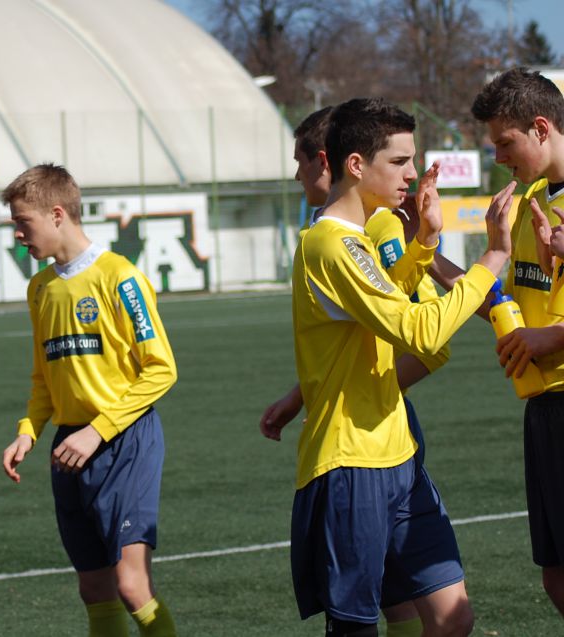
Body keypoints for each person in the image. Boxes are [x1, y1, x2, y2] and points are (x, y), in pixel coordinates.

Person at [289, 97, 515, 637]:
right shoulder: (330, 245)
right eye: (399, 161)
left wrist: (427, 242)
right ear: (355, 165)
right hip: (351, 462)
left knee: (451, 616)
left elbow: (395, 306)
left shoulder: (361, 237)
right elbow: (422, 332)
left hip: (398, 453)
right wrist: (492, 259)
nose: (413, 174)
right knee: (357, 628)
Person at [260, 106, 449, 637]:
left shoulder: (381, 224)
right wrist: (308, 391)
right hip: (361, 435)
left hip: (375, 436)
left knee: (401, 607)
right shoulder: (337, 233)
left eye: (300, 160)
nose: (297, 174)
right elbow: (368, 325)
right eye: (402, 161)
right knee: (391, 604)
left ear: (332, 161)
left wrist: (489, 268)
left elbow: (423, 336)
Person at [0, 163, 178, 637]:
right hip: (69, 444)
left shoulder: (119, 277)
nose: (18, 235)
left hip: (124, 439)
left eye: (24, 222)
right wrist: (28, 431)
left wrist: (98, 430)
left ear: (57, 214)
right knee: (93, 588)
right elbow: (44, 375)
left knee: (131, 584)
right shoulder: (40, 289)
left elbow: (161, 369)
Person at [465, 67, 564, 619]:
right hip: (542, 408)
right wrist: (430, 256)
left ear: (542, 127)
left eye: (506, 142)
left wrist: (552, 337)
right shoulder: (526, 206)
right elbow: (504, 309)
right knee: (554, 575)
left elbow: (541, 330)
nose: (499, 157)